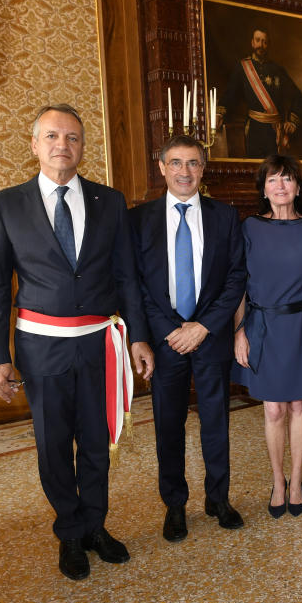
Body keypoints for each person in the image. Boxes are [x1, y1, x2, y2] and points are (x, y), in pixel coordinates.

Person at [0, 104, 154, 580]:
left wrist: (138, 338)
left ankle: (96, 525)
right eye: (53, 136)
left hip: (100, 344)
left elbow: (127, 278)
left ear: (83, 146)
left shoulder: (110, 201)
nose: (63, 145)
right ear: (34, 144)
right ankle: (70, 534)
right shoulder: (5, 205)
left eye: (73, 137)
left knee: (97, 443)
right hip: (41, 347)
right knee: (54, 443)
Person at [128, 135, 246, 541]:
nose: (184, 172)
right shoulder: (138, 219)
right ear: (162, 167)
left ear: (203, 169)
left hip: (210, 336)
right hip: (166, 341)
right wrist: (169, 330)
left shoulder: (225, 216)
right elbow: (137, 284)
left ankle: (218, 498)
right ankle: (175, 504)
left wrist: (203, 326)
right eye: (176, 163)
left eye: (193, 163)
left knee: (216, 421)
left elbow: (235, 279)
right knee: (169, 424)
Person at [233, 155, 302, 518]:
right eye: (273, 180)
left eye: (287, 179)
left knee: (299, 406)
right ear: (263, 189)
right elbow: (239, 286)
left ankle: (298, 479)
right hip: (261, 326)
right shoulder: (250, 228)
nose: (280, 186)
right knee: (273, 409)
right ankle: (277, 481)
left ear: (298, 187)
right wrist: (239, 332)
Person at [223, 28, 302, 158]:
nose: (261, 45)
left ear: (268, 45)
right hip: (254, 129)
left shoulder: (277, 70)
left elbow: (297, 95)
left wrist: (293, 121)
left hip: (275, 131)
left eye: (265, 42)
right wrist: (219, 113)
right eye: (258, 40)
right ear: (252, 42)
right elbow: (230, 95)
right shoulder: (242, 67)